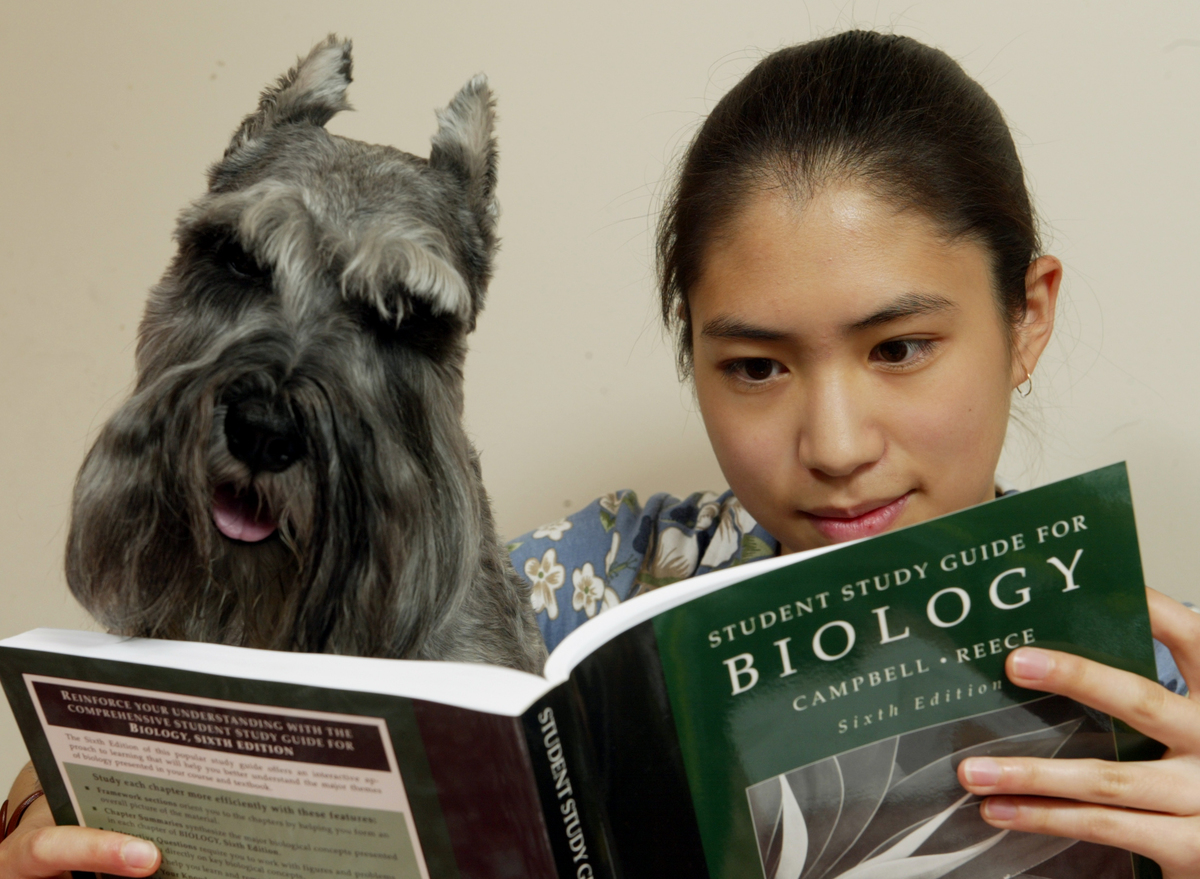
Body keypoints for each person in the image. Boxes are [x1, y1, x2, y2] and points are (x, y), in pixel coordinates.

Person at [3, 28, 1199, 879]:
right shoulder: (573, 595)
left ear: (1027, 315)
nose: (836, 447)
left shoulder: (1160, 684)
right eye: (755, 367)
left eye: (899, 349)